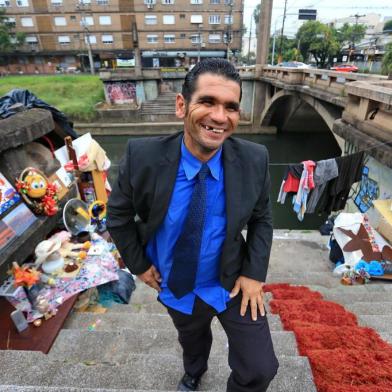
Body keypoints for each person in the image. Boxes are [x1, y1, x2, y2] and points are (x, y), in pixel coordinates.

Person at [107, 58, 279, 392]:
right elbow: (118, 216)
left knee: (261, 369)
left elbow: (262, 219)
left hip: (233, 283)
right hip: (176, 283)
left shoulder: (254, 159)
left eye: (231, 107)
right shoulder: (142, 156)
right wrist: (140, 265)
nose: (219, 117)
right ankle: (194, 372)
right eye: (208, 102)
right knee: (193, 340)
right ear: (182, 105)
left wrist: (255, 273)